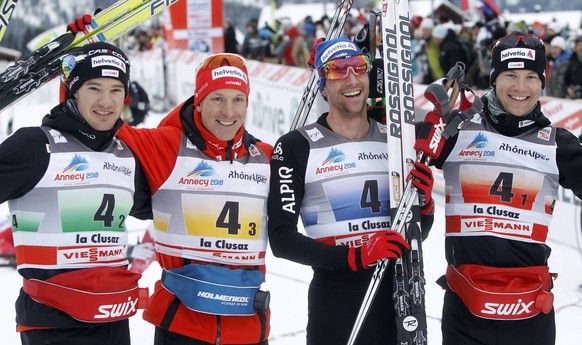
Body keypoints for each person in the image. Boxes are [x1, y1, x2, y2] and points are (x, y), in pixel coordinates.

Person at [267, 36, 435, 345]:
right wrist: (356, 256)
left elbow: (415, 234)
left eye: (358, 67)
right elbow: (281, 239)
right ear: (322, 84)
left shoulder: (396, 142)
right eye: (337, 71)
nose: (351, 79)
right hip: (335, 298)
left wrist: (424, 206)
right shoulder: (296, 146)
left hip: (398, 295)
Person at [423, 32, 582, 345]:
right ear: (494, 79)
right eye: (510, 75)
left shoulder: (556, 144)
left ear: (542, 82)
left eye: (531, 77)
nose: (520, 88)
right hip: (465, 313)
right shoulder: (458, 130)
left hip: (529, 316)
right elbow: (403, 159)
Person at [0, 41, 152, 345]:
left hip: (113, 321)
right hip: (53, 326)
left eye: (116, 90)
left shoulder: (126, 154)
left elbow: (161, 202)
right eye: (94, 88)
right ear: (74, 91)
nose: (106, 102)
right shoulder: (35, 146)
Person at [116, 52, 273, 345]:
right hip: (182, 327)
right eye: (217, 99)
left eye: (238, 99)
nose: (228, 111)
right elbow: (101, 121)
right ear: (198, 102)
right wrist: (76, 68)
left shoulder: (265, 156)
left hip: (248, 328)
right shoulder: (168, 145)